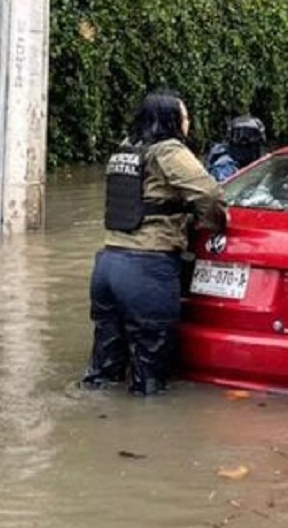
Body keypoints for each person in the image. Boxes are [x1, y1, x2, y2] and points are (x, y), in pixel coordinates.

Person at [80, 90, 226, 395]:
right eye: (185, 117)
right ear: (172, 120)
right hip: (146, 268)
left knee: (103, 370)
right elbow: (209, 194)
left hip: (107, 265)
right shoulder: (169, 151)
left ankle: (99, 426)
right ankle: (143, 438)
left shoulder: (125, 150)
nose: (188, 123)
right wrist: (215, 224)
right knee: (150, 375)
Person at [205, 114, 267, 181]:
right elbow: (223, 180)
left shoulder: (263, 162)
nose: (244, 141)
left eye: (250, 135)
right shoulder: (225, 165)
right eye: (238, 135)